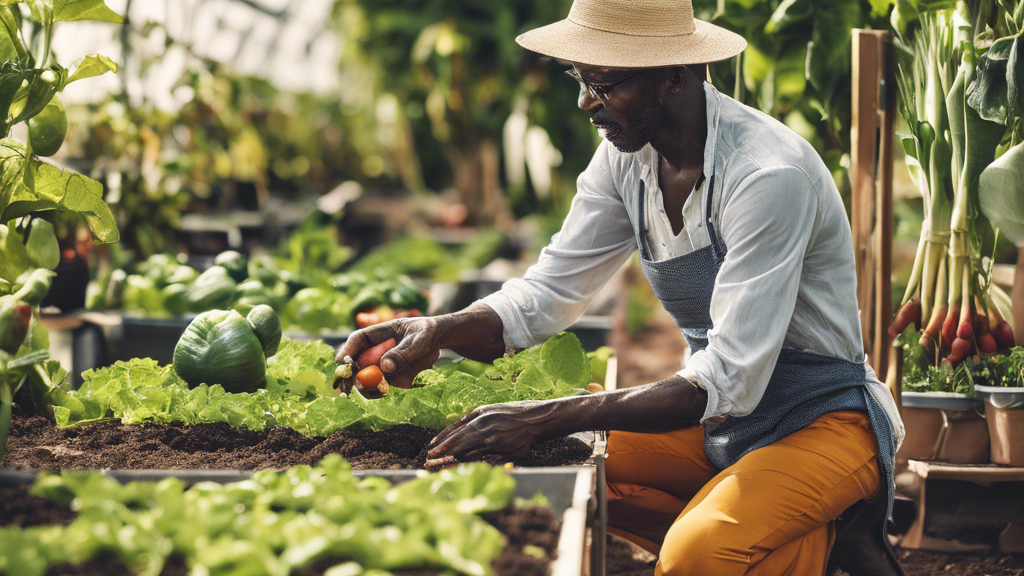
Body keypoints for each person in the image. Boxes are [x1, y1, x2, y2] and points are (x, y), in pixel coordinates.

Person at [339, 0, 906, 574]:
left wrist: (542, 415)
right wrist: (439, 329)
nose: (586, 102)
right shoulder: (625, 161)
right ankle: (798, 532)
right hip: (723, 424)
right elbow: (548, 292)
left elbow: (731, 377)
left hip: (821, 420)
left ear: (675, 77)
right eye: (581, 81)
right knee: (550, 474)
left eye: (604, 84)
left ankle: (785, 526)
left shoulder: (766, 177)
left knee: (695, 556)